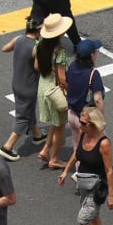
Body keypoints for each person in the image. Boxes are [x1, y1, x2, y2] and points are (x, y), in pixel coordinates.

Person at [58, 108, 113, 225]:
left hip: (96, 186)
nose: (79, 125)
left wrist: (111, 195)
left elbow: (109, 170)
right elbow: (77, 153)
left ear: (93, 124)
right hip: (83, 183)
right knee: (93, 215)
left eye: (83, 123)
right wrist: (65, 171)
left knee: (83, 219)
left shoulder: (104, 143)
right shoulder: (84, 134)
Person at [0, 16, 47, 161]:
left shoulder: (18, 39)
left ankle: (37, 135)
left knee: (27, 109)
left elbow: (4, 48)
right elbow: (38, 67)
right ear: (38, 30)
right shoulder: (36, 47)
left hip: (17, 84)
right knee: (23, 117)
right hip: (29, 87)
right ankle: (7, 147)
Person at [36, 13, 71, 169]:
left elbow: (36, 66)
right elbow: (62, 78)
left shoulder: (40, 45)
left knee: (54, 123)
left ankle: (45, 150)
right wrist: (71, 92)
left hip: (43, 86)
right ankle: (55, 158)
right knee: (60, 126)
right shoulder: (60, 51)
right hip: (54, 89)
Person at [66, 39, 105, 138]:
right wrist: (101, 119)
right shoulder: (93, 74)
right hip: (87, 119)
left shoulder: (72, 66)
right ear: (92, 55)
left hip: (71, 114)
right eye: (96, 51)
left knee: (78, 147)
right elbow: (98, 100)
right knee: (98, 146)